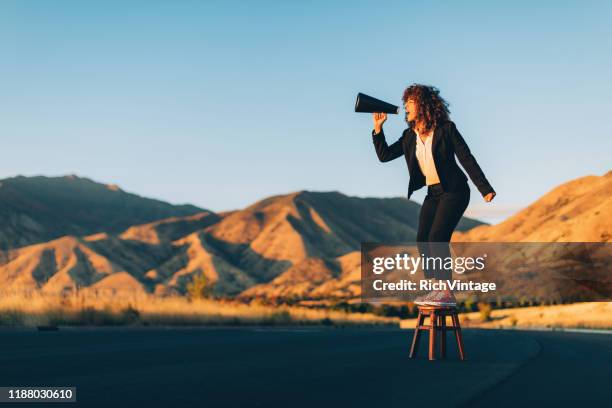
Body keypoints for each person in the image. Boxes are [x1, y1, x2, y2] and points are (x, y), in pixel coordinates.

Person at [371, 84, 496, 306]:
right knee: (422, 240)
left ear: (424, 104)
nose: (406, 106)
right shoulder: (409, 136)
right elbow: (385, 155)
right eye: (405, 102)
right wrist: (378, 129)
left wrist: (484, 188)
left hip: (455, 191)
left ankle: (446, 292)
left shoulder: (446, 129)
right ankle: (435, 289)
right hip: (433, 193)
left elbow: (466, 158)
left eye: (410, 101)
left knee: (437, 238)